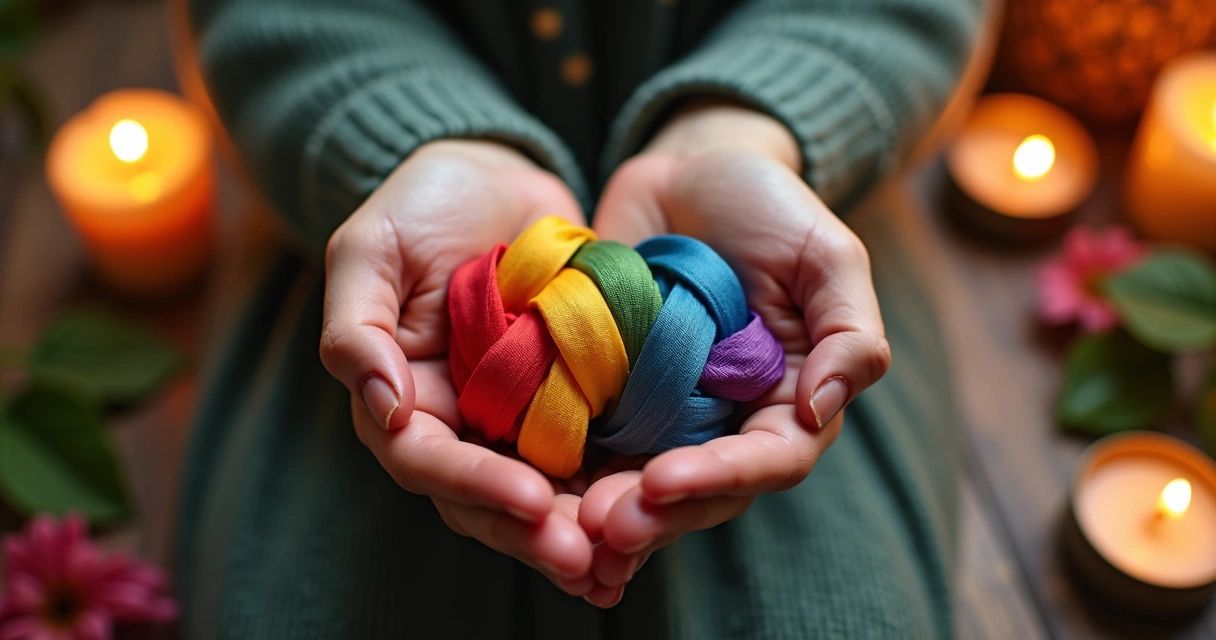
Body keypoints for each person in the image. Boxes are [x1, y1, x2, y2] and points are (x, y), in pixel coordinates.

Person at [179, 0, 981, 637]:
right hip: (362, 231)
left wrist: (741, 128)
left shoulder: (727, 316)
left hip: (798, 216)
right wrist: (422, 142)